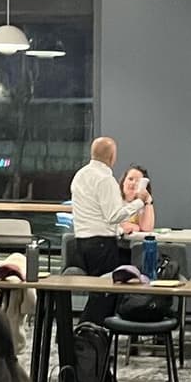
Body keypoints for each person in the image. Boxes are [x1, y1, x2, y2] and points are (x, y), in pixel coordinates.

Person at [69, 136, 145, 328]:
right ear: (112, 156)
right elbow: (113, 215)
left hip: (82, 242)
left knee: (99, 293)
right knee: (105, 294)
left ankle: (87, 337)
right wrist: (139, 202)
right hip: (102, 244)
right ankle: (88, 336)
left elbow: (93, 212)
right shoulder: (105, 179)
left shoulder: (80, 175)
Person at [120, 166, 159, 277]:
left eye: (138, 181)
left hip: (136, 252)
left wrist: (147, 201)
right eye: (130, 179)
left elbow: (146, 228)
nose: (133, 183)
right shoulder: (115, 199)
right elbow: (118, 223)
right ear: (123, 182)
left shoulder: (140, 204)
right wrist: (134, 226)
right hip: (116, 249)